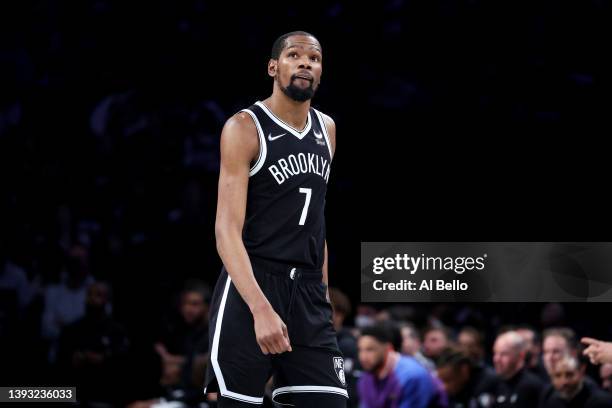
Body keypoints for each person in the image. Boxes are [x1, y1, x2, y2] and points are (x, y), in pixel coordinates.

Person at [205, 31, 346, 407]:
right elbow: (225, 231)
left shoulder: (327, 129)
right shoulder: (244, 127)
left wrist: (323, 298)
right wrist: (260, 308)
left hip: (308, 291)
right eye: (294, 55)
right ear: (273, 67)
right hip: (253, 283)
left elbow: (317, 221)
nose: (305, 63)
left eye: (314, 59)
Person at [357, 323, 436, 408]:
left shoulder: (413, 375)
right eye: (360, 350)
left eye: (370, 349)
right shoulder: (366, 379)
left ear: (388, 348)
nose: (362, 357)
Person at [491, 331, 543, 407]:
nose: (497, 359)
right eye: (495, 353)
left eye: (504, 354)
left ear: (521, 355)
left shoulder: (533, 386)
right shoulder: (494, 383)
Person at [539, 354, 612, 408]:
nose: (564, 381)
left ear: (581, 373)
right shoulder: (549, 399)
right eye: (558, 376)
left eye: (569, 375)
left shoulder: (601, 402)